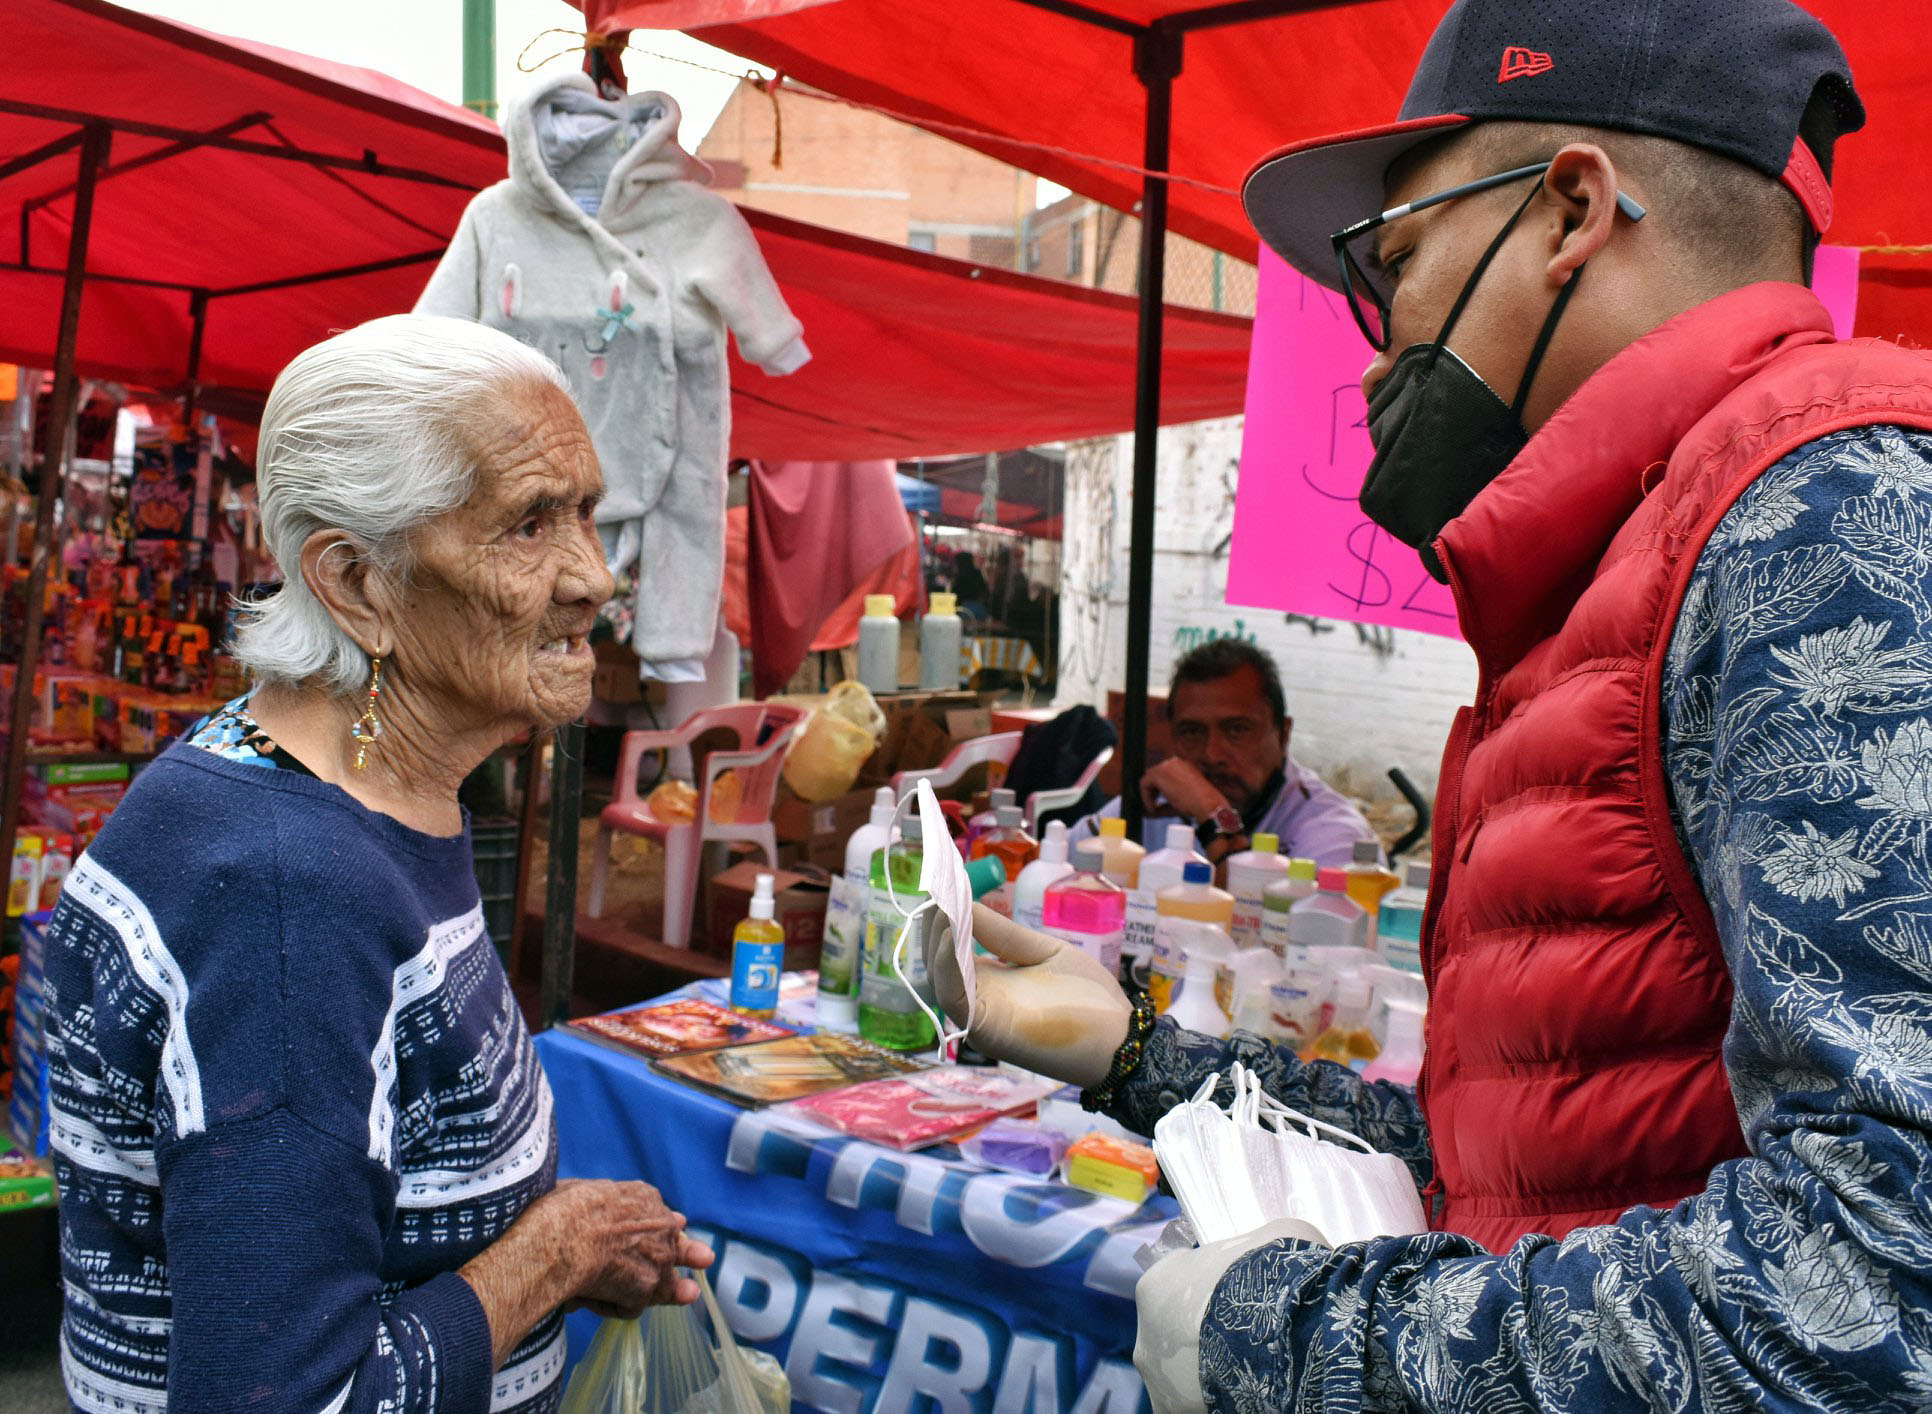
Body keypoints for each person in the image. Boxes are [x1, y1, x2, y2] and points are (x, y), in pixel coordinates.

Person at [930, 0, 1932, 1407]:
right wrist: (1140, 1042)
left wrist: (1291, 1338)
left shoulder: (1826, 522)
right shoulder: (1622, 576)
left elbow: (1880, 1288)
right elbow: (1515, 1162)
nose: (1371, 341)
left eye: (1391, 262)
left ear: (1570, 211)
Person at [44, 316, 711, 1412]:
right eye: (530, 525)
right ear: (356, 582)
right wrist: (554, 1253)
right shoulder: (288, 894)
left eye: (588, 512)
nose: (595, 578)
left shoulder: (337, 790)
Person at [1071, 638, 1377, 869]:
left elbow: (1271, 930)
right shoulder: (1160, 804)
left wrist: (1213, 816)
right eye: (1192, 732)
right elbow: (1057, 862)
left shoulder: (1331, 832)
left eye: (1236, 730)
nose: (1212, 754)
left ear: (1283, 735)